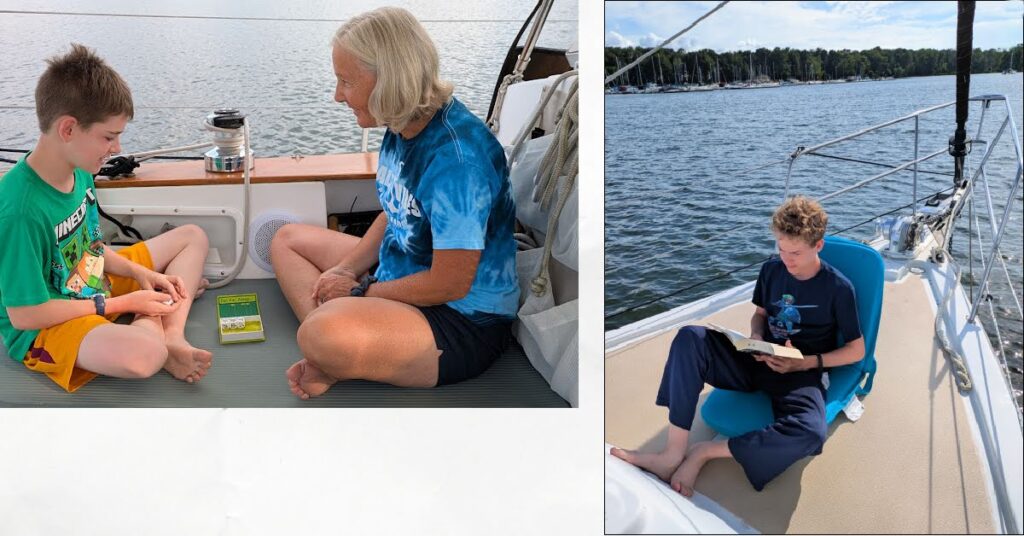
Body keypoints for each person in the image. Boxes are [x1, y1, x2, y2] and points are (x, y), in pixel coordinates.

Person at [272, 7, 518, 398]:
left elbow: (450, 283)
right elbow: (396, 212)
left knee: (320, 334)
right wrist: (344, 270)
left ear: (388, 80)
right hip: (397, 273)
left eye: (346, 81)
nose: (338, 96)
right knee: (286, 239)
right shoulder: (402, 122)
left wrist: (358, 292)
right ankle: (348, 343)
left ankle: (337, 346)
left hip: (459, 321)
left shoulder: (457, 161)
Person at [611, 196, 865, 495]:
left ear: (818, 246)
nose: (787, 259)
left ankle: (704, 451)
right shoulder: (772, 269)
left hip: (801, 373)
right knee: (690, 337)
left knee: (810, 433)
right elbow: (760, 315)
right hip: (757, 358)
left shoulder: (838, 288)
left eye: (795, 252)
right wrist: (756, 337)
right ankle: (672, 454)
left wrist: (804, 362)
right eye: (781, 249)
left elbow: (856, 350)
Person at [0, 44, 213, 392]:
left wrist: (139, 273)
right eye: (109, 137)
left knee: (192, 237)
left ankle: (172, 335)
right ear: (68, 129)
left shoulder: (80, 168)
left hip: (92, 282)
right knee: (144, 355)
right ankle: (156, 322)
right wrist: (127, 303)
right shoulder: (18, 211)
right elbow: (25, 315)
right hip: (48, 323)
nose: (116, 149)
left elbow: (91, 248)